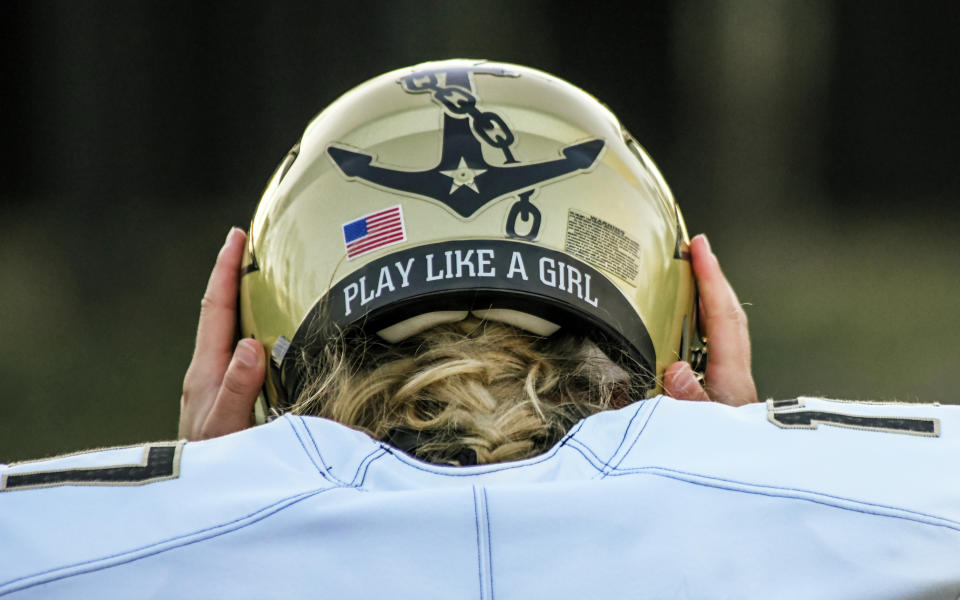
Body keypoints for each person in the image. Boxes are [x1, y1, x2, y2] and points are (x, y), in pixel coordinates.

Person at [1, 61, 958, 599]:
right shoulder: (921, 507)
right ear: (701, 324)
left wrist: (196, 489)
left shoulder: (39, 543)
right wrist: (753, 465)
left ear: (243, 357)